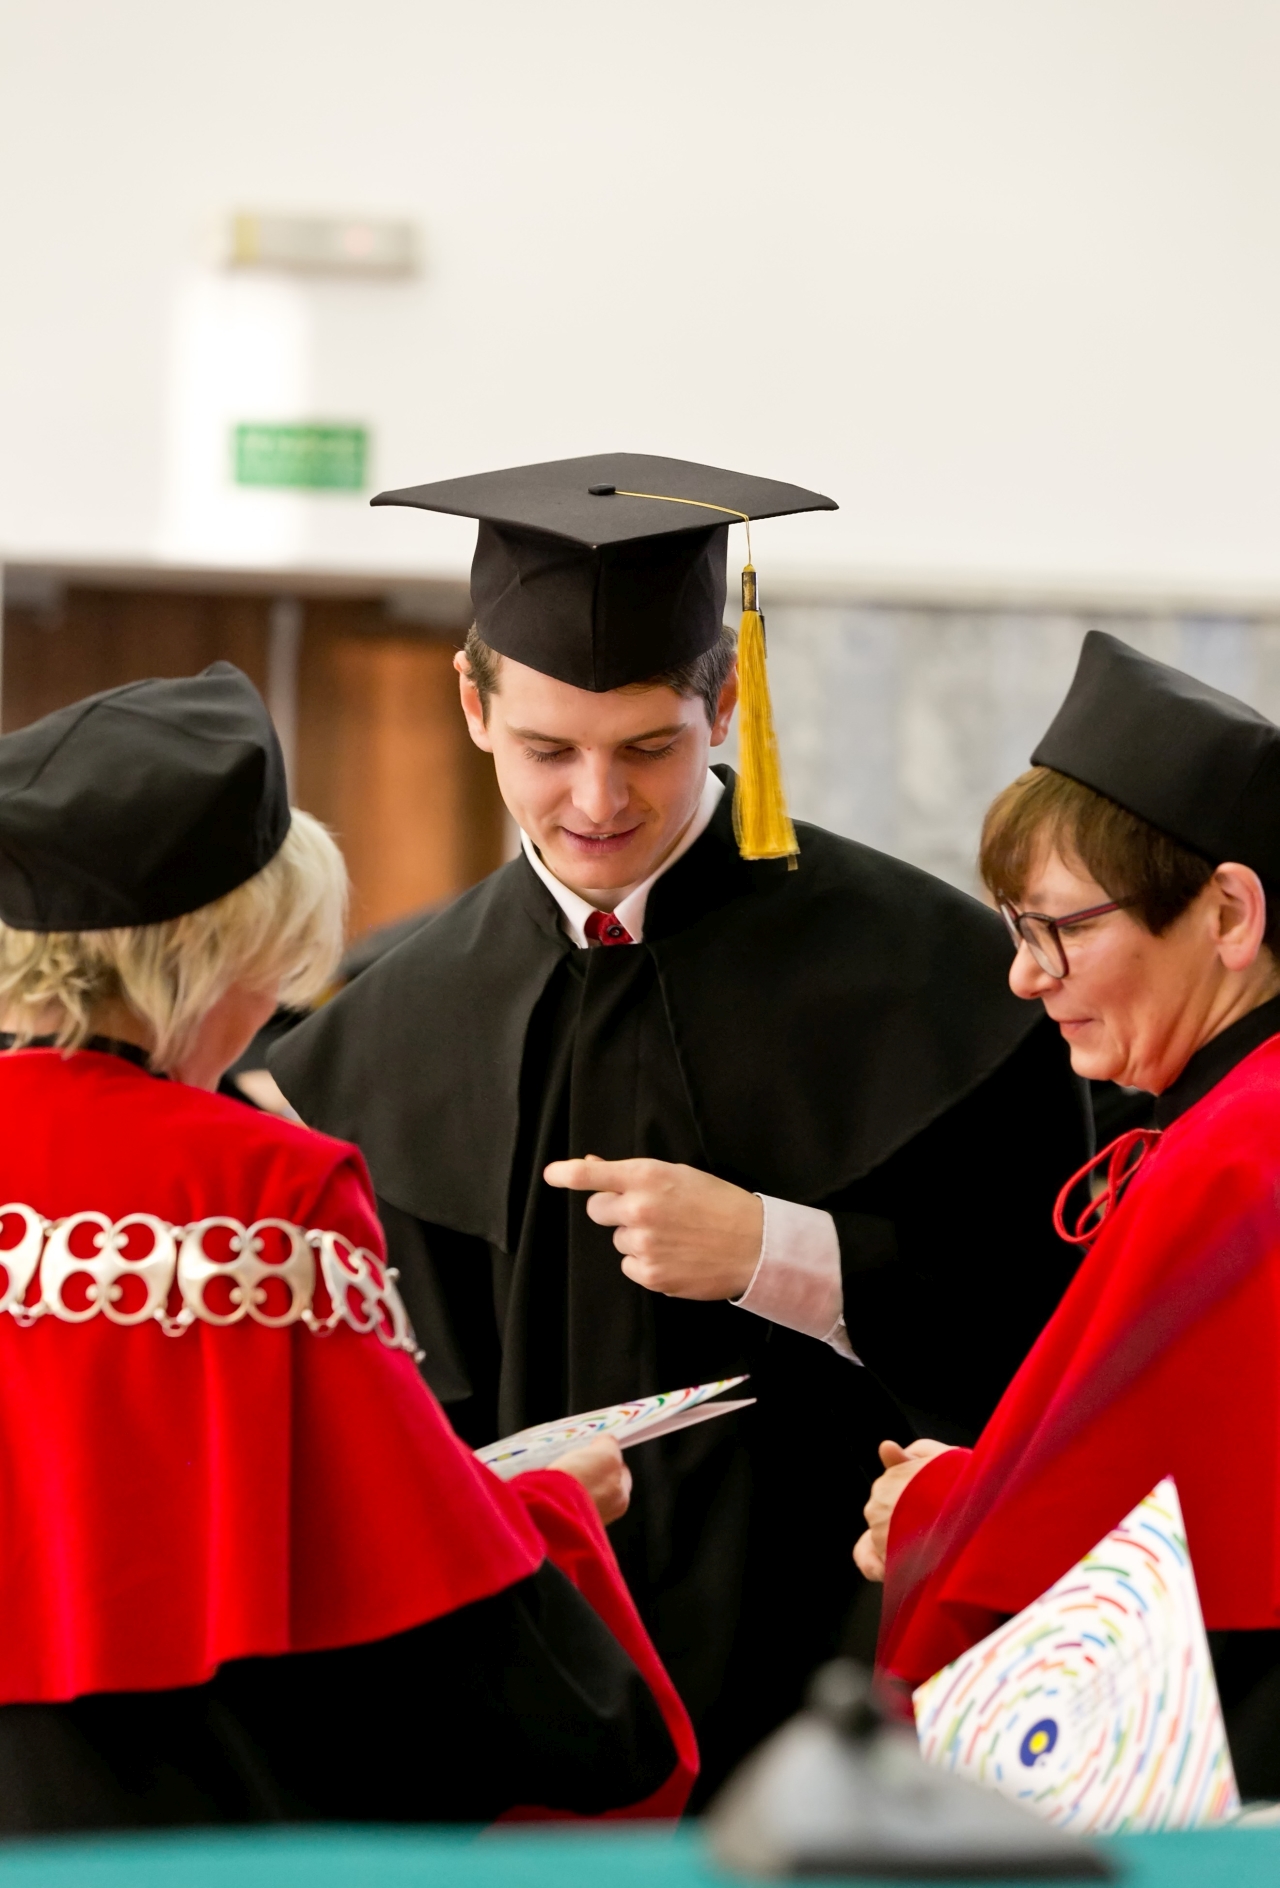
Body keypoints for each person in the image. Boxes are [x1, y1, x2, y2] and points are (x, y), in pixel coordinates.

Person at [270, 453, 1090, 1796]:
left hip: (835, 1683)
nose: (597, 801)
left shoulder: (940, 979)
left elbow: (1054, 1335)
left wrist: (782, 1251)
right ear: (473, 706)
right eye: (548, 751)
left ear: (723, 704)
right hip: (509, 1707)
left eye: (647, 747)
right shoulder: (377, 1025)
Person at [0, 663, 695, 1833]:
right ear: (223, 951)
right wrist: (539, 1511)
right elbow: (410, 1592)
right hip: (168, 1810)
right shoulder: (258, 1187)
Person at [858, 630, 1280, 1802]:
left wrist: (935, 1510)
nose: (1023, 976)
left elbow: (1159, 1567)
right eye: (1015, 929)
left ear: (1226, 915)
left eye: (1062, 928)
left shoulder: (1237, 1156)